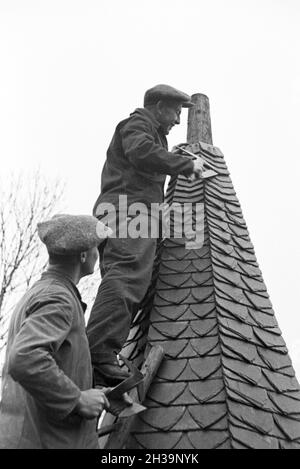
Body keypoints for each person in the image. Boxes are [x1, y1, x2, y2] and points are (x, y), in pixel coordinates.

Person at [87, 84, 204, 387]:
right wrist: (187, 166)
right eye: (177, 111)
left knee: (129, 282)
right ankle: (96, 355)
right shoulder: (138, 124)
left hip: (131, 212)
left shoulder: (155, 135)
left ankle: (102, 357)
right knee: (127, 276)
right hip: (127, 211)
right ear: (159, 105)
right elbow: (141, 153)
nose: (178, 120)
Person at [0, 214, 112, 449]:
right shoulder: (58, 298)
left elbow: (53, 366)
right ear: (83, 255)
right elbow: (25, 357)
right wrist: (77, 399)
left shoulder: (42, 292)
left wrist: (98, 395)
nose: (97, 254)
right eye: (96, 248)